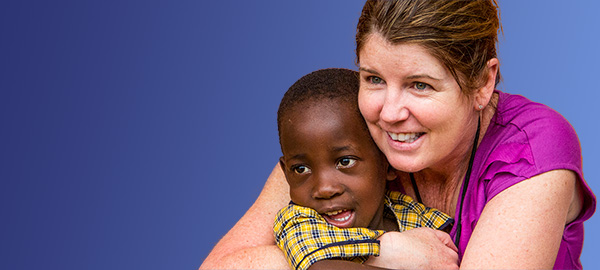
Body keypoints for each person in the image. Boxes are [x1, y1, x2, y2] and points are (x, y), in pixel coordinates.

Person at [200, 1, 596, 269]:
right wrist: (386, 252)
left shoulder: (534, 149)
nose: (389, 113)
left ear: (483, 82)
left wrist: (318, 257)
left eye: (420, 85)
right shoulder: (351, 129)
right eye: (373, 78)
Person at [273, 68, 454, 270]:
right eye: (300, 169)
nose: (324, 188)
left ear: (387, 161)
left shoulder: (409, 213)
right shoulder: (299, 222)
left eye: (345, 162)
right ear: (285, 172)